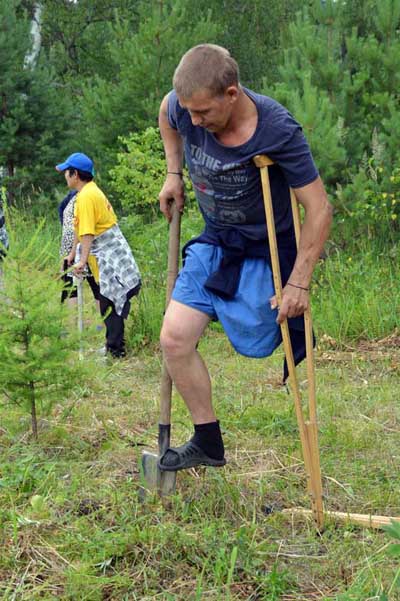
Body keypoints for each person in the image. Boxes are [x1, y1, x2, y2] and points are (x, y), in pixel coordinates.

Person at [157, 44, 333, 472]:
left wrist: (298, 282)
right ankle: (208, 441)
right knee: (174, 339)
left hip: (263, 247)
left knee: (256, 341)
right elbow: (166, 114)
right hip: (216, 242)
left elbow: (320, 207)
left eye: (203, 113)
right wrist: (173, 172)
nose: (195, 121)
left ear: (231, 94)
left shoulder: (277, 130)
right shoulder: (181, 108)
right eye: (190, 112)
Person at [55, 152, 141, 358]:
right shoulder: (88, 192)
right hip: (104, 254)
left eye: (67, 172)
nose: (65, 176)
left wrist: (82, 261)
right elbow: (79, 228)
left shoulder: (86, 196)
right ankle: (113, 347)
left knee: (110, 301)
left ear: (75, 174)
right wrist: (73, 252)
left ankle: (115, 352)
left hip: (110, 254)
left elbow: (88, 233)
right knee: (107, 300)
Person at [58, 189, 101, 308]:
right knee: (96, 286)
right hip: (88, 244)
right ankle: (100, 323)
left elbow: (63, 219)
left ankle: (74, 324)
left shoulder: (73, 200)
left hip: (77, 244)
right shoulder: (89, 196)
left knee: (72, 287)